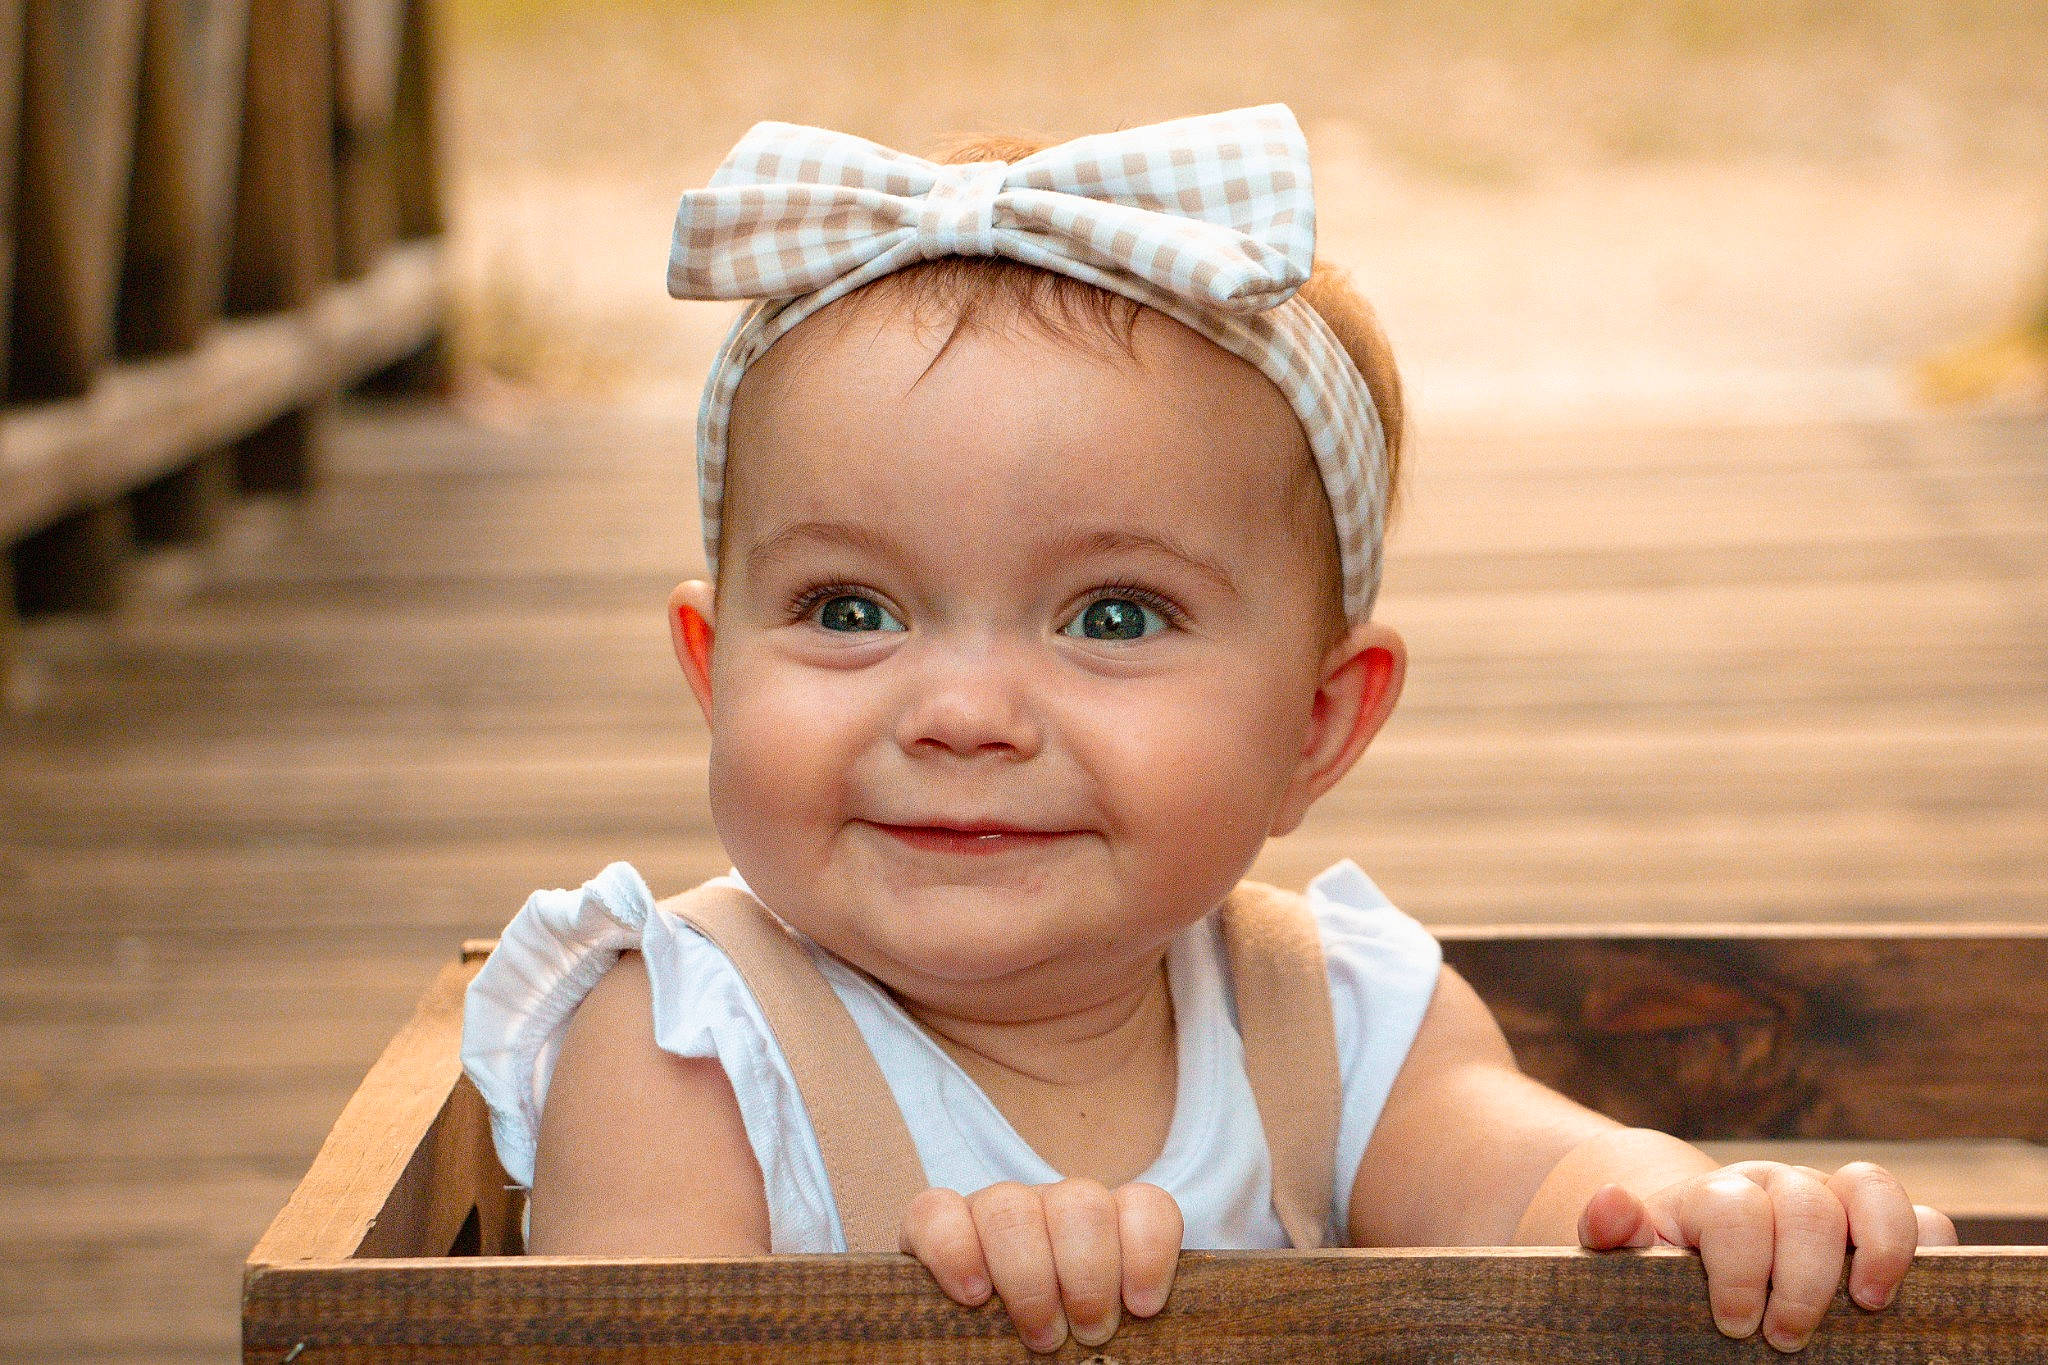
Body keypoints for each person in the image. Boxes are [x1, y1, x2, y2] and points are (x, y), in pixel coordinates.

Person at [462, 105, 1956, 1355]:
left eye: (1114, 617)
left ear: (1317, 724)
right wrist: (927, 1325)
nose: (963, 713)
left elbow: (1536, 1176)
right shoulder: (688, 1047)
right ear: (712, 667)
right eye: (850, 608)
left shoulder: (1333, 1017)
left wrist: (1695, 1204)